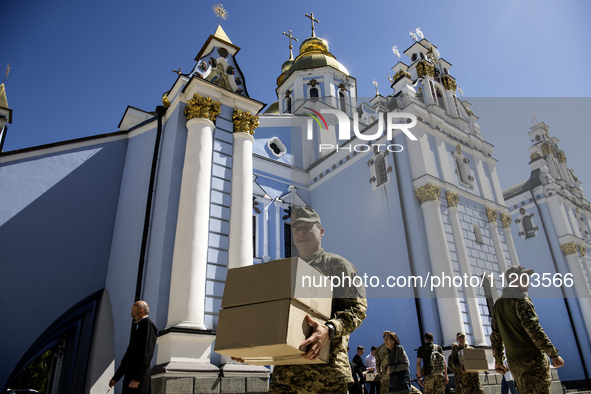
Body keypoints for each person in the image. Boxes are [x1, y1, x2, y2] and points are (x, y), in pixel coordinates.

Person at [267, 206, 368, 393]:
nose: (300, 231)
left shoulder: (337, 265)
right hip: (285, 377)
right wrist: (253, 350)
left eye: (307, 226)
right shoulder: (286, 272)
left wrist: (328, 329)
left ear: (321, 232)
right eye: (296, 228)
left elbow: (356, 309)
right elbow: (276, 317)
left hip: (325, 376)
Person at [490, 265, 564, 394]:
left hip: (515, 364)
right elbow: (533, 329)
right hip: (533, 363)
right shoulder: (521, 300)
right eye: (523, 277)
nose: (527, 281)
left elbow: (496, 335)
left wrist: (498, 360)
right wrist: (553, 354)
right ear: (512, 279)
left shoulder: (499, 304)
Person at [109, 301, 158, 394]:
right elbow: (129, 356)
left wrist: (137, 378)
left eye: (133, 311)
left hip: (138, 381)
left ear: (141, 311)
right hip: (131, 378)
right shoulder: (141, 327)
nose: (131, 314)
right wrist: (116, 378)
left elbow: (147, 354)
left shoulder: (148, 326)